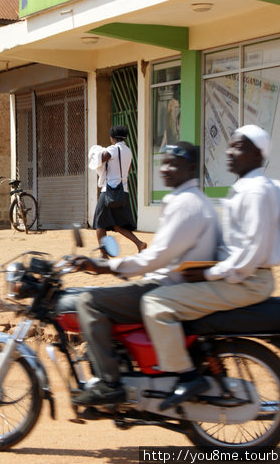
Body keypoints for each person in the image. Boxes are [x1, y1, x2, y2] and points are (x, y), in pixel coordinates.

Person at [141, 125, 280, 411]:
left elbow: (249, 254)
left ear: (258, 154)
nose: (229, 151)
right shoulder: (272, 187)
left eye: (239, 147)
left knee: (156, 304)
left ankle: (186, 377)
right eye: (230, 145)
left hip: (243, 280)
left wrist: (209, 273)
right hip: (249, 278)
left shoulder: (255, 192)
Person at [71, 142, 219, 406]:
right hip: (173, 283)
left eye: (174, 163)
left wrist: (106, 267)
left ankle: (108, 384)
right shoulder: (194, 201)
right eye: (164, 161)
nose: (165, 168)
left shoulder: (186, 204)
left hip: (165, 285)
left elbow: (155, 258)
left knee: (88, 302)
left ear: (191, 168)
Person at [90, 125, 146, 257]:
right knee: (118, 225)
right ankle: (139, 244)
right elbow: (127, 170)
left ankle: (103, 255)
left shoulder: (113, 150)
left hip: (108, 192)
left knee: (100, 224)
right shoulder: (128, 151)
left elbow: (100, 158)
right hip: (123, 192)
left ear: (112, 137)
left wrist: (96, 152)